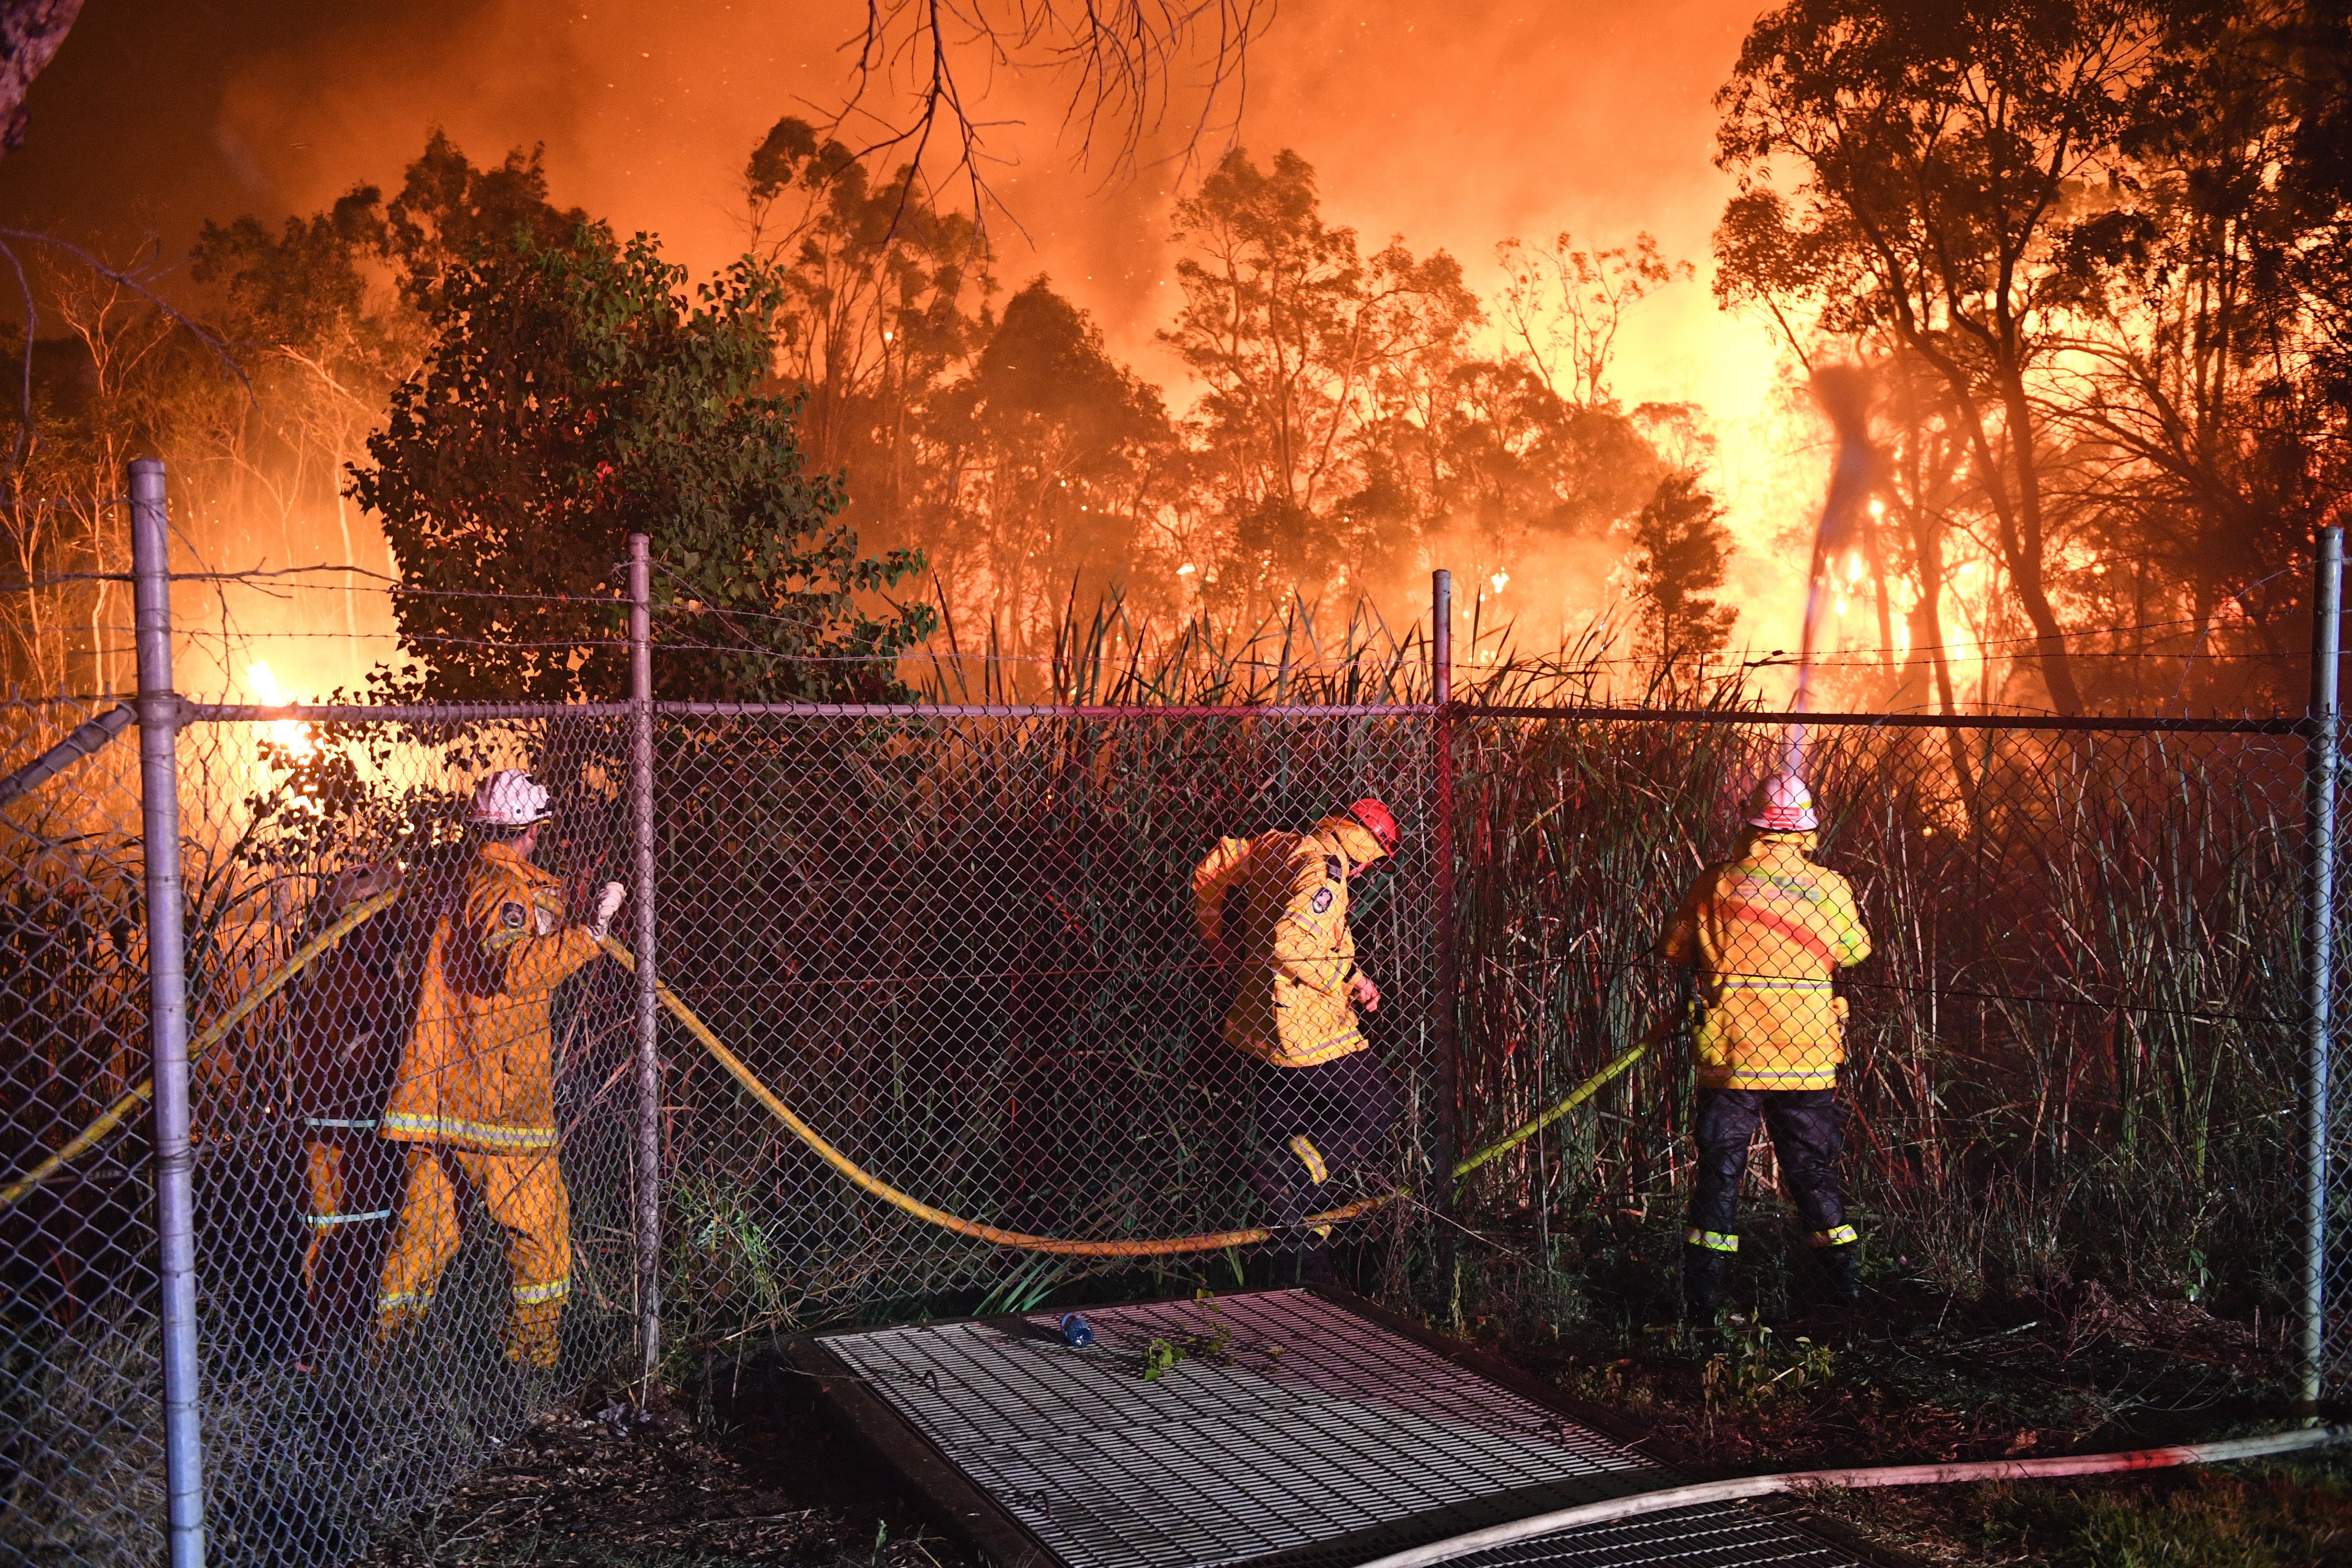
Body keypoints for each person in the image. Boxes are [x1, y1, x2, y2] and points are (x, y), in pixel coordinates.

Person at [375, 770, 625, 1368]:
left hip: (435, 1094)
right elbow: (512, 968)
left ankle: (386, 1356)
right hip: (496, 1099)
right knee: (541, 1229)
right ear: (532, 831)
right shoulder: (500, 890)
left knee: (427, 1235)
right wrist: (591, 934)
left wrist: (559, 911)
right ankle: (530, 1362)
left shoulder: (461, 882)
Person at [1660, 773, 1872, 1318]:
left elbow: (1675, 948)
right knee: (1813, 1173)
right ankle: (1843, 1296)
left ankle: (1704, 1305)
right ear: (1807, 829)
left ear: (1749, 823)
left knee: (1720, 1173)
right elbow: (1854, 951)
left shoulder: (1717, 883)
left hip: (1733, 1056)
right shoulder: (1829, 888)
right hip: (1808, 1057)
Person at [1192, 798, 1402, 1274]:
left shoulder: (1281, 845)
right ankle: (1287, 1173)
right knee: (1377, 1108)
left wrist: (1214, 937)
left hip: (1257, 1024)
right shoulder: (1326, 875)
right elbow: (1292, 942)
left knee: (1295, 1133)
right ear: (1367, 854)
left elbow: (1216, 864)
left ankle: (1302, 1259)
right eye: (1372, 863)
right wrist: (1343, 982)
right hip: (1305, 1030)